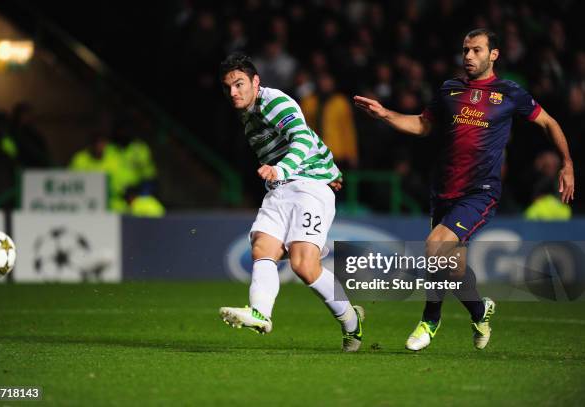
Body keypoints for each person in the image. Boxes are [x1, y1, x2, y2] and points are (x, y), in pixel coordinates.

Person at [354, 28, 575, 351]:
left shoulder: (510, 92)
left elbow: (549, 123)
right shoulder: (449, 89)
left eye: (476, 50)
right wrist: (386, 114)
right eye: (465, 50)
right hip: (443, 190)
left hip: (479, 192)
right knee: (452, 269)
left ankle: (430, 319)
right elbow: (423, 124)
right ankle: (479, 309)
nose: (468, 56)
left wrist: (566, 163)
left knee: (434, 247)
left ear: (493, 55)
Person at [218, 53, 364, 352]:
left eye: (239, 84)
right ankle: (260, 313)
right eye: (228, 87)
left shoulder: (274, 101)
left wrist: (290, 169)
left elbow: (302, 139)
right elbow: (309, 142)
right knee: (262, 246)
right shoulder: (247, 116)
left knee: (303, 264)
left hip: (308, 188)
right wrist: (327, 165)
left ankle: (351, 322)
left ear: (255, 81)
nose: (233, 92)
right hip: (280, 189)